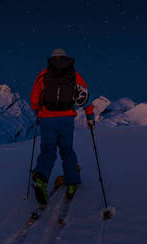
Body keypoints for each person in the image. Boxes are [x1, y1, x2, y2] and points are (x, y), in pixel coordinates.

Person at [30, 48, 95, 204]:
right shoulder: (74, 74)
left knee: (48, 149)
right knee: (67, 150)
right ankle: (72, 183)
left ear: (52, 59)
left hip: (47, 118)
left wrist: (38, 112)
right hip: (66, 118)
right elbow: (85, 96)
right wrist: (90, 116)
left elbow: (34, 98)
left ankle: (41, 179)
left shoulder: (43, 74)